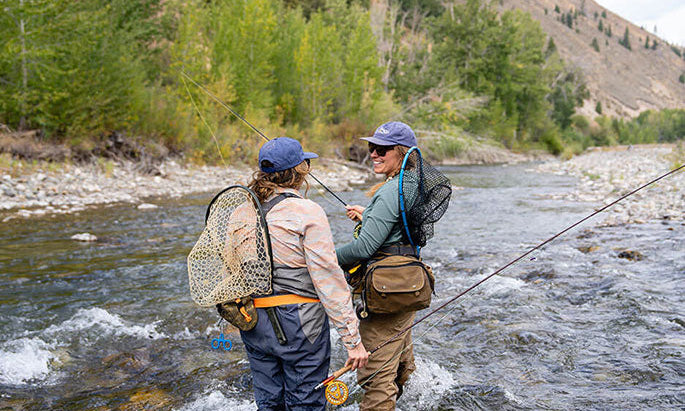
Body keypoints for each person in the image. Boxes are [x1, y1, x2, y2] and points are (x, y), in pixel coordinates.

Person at [240, 137, 368, 410]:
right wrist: (353, 341)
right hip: (300, 326)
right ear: (302, 170)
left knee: (269, 403)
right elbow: (328, 280)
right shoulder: (307, 211)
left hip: (254, 323)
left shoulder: (241, 212)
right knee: (306, 404)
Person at [335, 121, 421, 410]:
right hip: (406, 284)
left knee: (376, 375)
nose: (373, 153)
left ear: (401, 153)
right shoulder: (410, 187)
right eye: (372, 147)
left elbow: (364, 248)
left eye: (382, 149)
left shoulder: (388, 192)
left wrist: (323, 258)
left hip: (386, 292)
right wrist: (369, 216)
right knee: (399, 361)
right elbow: (401, 231)